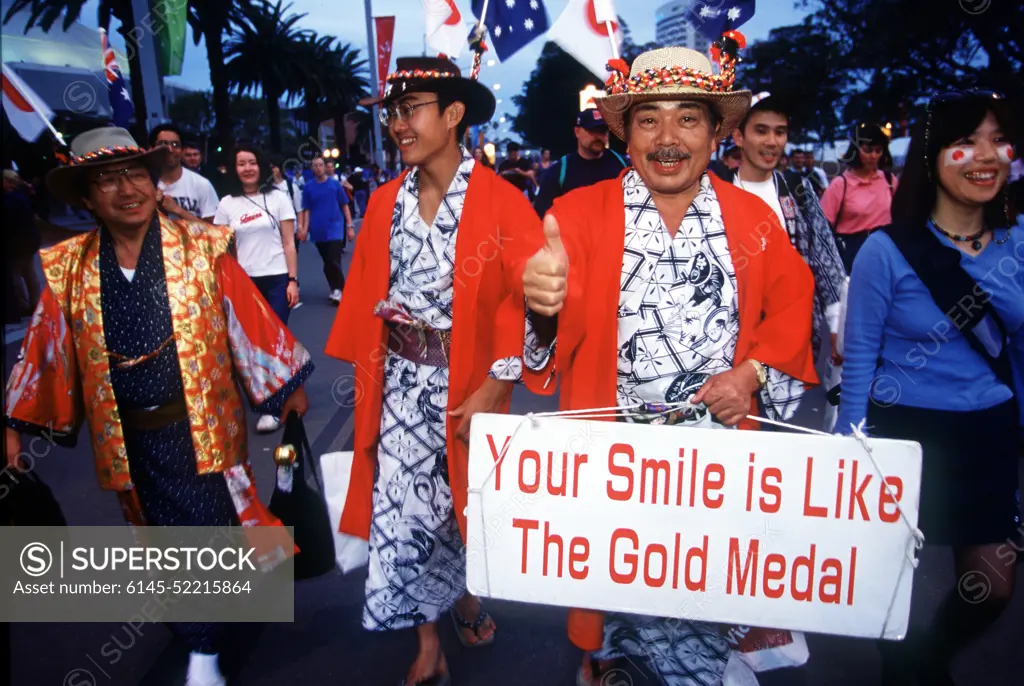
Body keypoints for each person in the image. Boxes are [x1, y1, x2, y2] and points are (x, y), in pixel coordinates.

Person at [514, 46, 818, 686]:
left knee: (706, 611)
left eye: (689, 119)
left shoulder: (754, 219)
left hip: (718, 467)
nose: (669, 138)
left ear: (716, 133)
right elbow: (546, 347)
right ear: (626, 132)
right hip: (615, 465)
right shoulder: (577, 215)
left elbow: (792, 312)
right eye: (649, 119)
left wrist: (753, 377)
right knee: (622, 611)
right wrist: (541, 309)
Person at [4, 126, 312, 686]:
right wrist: (16, 426)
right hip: (128, 438)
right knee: (157, 539)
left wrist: (286, 384)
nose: (126, 189)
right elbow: (45, 347)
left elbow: (247, 319)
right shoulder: (68, 267)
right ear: (85, 197)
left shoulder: (202, 246)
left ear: (154, 180)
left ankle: (204, 647)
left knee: (208, 525)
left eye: (135, 174)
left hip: (201, 425)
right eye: (107, 179)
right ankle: (203, 634)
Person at [324, 55, 540, 686]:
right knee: (401, 512)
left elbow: (528, 300)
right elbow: (368, 291)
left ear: (452, 115)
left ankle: (465, 597)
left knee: (459, 508)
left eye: (409, 109)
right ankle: (427, 644)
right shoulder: (386, 201)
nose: (396, 124)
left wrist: (497, 384)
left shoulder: (503, 202)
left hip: (470, 384)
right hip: (398, 387)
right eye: (391, 112)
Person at [836, 90, 1021, 685]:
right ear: (932, 157)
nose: (984, 155)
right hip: (904, 436)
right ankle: (906, 665)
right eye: (965, 142)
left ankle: (929, 654)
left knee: (992, 584)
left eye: (997, 139)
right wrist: (849, 447)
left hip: (988, 434)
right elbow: (860, 351)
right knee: (894, 593)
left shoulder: (1018, 243)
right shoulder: (886, 252)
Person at [728, 92, 847, 368]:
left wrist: (836, 320)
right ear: (738, 137)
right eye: (761, 131)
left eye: (780, 132)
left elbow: (824, 256)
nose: (772, 141)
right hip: (730, 336)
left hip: (792, 334)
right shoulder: (716, 190)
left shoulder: (797, 190)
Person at [213, 145, 300, 433]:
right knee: (253, 345)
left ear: (260, 167)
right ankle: (271, 400)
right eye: (241, 164)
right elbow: (221, 246)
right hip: (244, 283)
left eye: (252, 162)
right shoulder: (227, 204)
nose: (247, 168)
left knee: (275, 341)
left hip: (277, 278)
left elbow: (289, 242)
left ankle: (275, 406)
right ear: (233, 169)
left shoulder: (277, 197)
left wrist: (292, 280)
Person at [821, 123, 898, 272]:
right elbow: (822, 227)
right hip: (852, 254)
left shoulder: (890, 181)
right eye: (868, 150)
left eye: (878, 150)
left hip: (886, 251)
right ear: (856, 150)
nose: (873, 156)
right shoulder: (840, 184)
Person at [532, 108, 628, 217]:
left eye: (602, 131)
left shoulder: (622, 165)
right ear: (577, 132)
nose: (598, 136)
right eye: (592, 131)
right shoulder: (561, 171)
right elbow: (541, 214)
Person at [300, 155, 354, 304]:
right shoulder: (308, 187)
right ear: (312, 168)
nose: (318, 168)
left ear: (325, 167)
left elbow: (344, 205)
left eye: (320, 165)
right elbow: (307, 210)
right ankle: (334, 287)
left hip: (335, 228)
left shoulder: (335, 185)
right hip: (318, 229)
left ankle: (340, 290)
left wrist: (350, 226)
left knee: (334, 258)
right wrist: (304, 229)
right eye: (315, 165)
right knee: (327, 262)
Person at [149, 123, 219, 223]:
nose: (169, 149)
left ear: (181, 151)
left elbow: (216, 231)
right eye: (163, 144)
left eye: (175, 145)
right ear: (151, 148)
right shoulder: (144, 185)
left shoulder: (201, 184)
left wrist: (177, 210)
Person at [3, 169, 42, 322]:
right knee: (30, 273)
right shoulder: (25, 193)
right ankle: (36, 302)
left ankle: (23, 304)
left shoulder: (9, 199)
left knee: (16, 275)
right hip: (29, 238)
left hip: (16, 241)